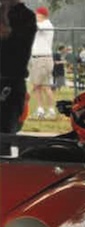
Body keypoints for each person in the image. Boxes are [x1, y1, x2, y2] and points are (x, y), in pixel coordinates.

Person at [0, 0, 36, 135]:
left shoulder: (24, 16)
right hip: (12, 81)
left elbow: (16, 50)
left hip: (10, 81)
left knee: (5, 133)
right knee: (6, 134)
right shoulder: (26, 16)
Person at [29, 6, 55, 119]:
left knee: (45, 86)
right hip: (36, 59)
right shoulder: (40, 25)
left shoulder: (46, 24)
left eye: (37, 14)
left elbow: (34, 26)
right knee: (37, 86)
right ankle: (40, 110)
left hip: (43, 59)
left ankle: (51, 111)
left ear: (42, 15)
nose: (35, 16)